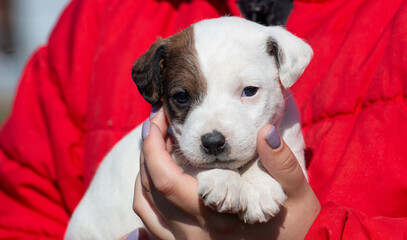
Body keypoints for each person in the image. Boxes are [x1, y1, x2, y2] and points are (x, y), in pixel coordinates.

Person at [0, 0, 406, 239]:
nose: (212, 133)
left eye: (247, 92)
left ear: (283, 71)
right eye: (182, 99)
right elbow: (20, 210)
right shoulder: (99, 15)